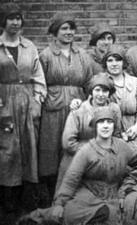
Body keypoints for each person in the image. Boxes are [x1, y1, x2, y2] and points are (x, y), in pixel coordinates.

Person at [19, 107, 137, 225]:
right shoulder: (86, 151)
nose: (105, 126)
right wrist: (59, 204)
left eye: (109, 122)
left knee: (123, 216)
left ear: (114, 125)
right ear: (95, 126)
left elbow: (136, 162)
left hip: (113, 194)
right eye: (101, 122)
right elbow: (71, 179)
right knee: (69, 214)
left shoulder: (122, 147)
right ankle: (38, 217)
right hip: (88, 195)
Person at [38, 12, 93, 198]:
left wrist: (87, 104)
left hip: (78, 106)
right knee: (51, 148)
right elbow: (39, 83)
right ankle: (49, 193)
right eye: (64, 28)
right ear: (55, 32)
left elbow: (88, 83)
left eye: (71, 28)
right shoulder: (45, 55)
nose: (69, 32)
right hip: (53, 107)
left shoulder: (82, 55)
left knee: (74, 145)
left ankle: (73, 191)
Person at [0, 2, 46, 212]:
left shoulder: (29, 46)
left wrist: (37, 100)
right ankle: (6, 200)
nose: (16, 22)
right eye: (11, 18)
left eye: (18, 18)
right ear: (3, 21)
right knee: (8, 149)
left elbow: (38, 76)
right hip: (4, 101)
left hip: (27, 102)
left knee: (29, 147)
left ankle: (26, 200)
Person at [56, 73, 122, 192]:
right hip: (78, 157)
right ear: (91, 91)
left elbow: (116, 136)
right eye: (97, 90)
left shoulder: (114, 109)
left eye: (105, 91)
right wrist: (93, 151)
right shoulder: (78, 111)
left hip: (105, 158)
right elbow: (68, 143)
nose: (101, 95)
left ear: (110, 93)